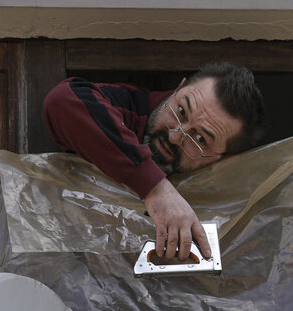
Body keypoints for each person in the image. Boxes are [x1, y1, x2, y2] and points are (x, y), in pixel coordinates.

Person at [43, 62, 268, 261]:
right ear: (178, 88)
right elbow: (63, 100)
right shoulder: (128, 108)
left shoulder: (224, 191)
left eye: (200, 139)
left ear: (220, 159)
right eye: (181, 111)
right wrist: (156, 189)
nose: (175, 136)